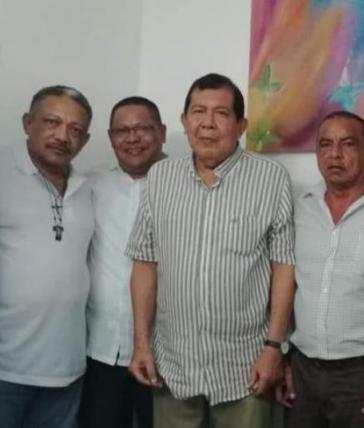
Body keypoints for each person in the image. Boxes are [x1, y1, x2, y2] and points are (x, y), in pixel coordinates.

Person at [126, 73, 295, 428]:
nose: (207, 123)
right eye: (198, 111)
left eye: (221, 113)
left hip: (244, 367)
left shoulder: (271, 178)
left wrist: (273, 347)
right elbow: (145, 262)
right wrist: (141, 344)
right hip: (173, 364)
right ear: (184, 120)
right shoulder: (160, 177)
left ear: (241, 126)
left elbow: (283, 268)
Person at [276, 111, 364, 428]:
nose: (335, 154)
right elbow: (286, 285)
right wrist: (284, 356)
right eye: (325, 145)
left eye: (347, 144)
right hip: (303, 371)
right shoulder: (300, 208)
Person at [0, 85, 93, 427]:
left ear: (85, 139)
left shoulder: (87, 187)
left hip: (67, 370)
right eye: (52, 122)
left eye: (75, 129)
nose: (62, 136)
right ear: (28, 122)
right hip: (6, 369)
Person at [79, 96, 167, 428]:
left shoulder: (185, 185)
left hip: (165, 351)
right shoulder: (88, 185)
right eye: (122, 131)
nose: (132, 138)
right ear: (110, 137)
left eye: (143, 128)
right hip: (100, 348)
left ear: (162, 132)